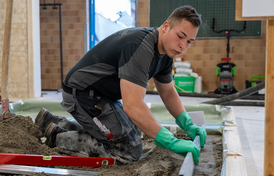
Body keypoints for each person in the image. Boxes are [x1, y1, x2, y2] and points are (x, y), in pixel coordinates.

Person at [35, 5, 207, 165]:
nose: (183, 46)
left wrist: (187, 123)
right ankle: (56, 136)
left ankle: (52, 122)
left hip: (102, 96)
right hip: (81, 94)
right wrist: (172, 142)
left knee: (133, 133)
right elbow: (132, 106)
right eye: (180, 36)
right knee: (128, 150)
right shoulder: (141, 48)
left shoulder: (165, 54)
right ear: (166, 26)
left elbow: (168, 92)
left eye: (189, 42)